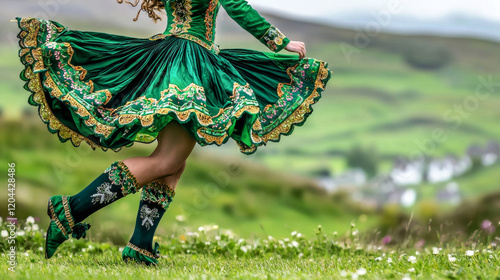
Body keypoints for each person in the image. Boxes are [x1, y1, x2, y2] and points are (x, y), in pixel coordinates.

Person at [15, 0, 332, 266]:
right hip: (189, 62)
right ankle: (71, 209)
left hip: (169, 56)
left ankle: (140, 245)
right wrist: (280, 42)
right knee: (168, 160)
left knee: (172, 163)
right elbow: (237, 6)